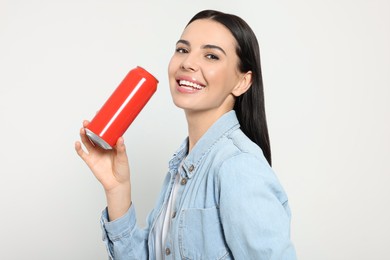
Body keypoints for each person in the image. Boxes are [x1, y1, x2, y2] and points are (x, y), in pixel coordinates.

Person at [75, 9, 296, 260]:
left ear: (242, 82)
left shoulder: (237, 165)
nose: (188, 63)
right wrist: (117, 189)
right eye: (182, 49)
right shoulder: (181, 168)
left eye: (211, 56)